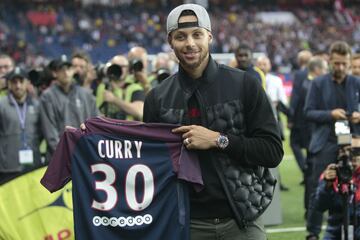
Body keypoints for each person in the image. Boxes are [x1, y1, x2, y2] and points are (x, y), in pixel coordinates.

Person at [143, 4, 283, 240]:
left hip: (242, 221)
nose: (190, 43)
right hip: (187, 224)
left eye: (197, 34)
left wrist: (219, 140)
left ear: (209, 36)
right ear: (170, 42)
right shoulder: (157, 98)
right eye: (181, 37)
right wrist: (91, 139)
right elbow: (149, 165)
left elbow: (272, 151)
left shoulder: (244, 85)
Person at [305, 41, 360, 240]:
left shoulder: (356, 82)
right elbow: (308, 112)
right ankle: (312, 232)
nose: (341, 68)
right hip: (326, 143)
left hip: (352, 144)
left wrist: (358, 116)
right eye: (336, 63)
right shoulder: (318, 83)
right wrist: (331, 114)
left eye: (344, 63)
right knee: (319, 188)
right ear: (329, 61)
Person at [40, 56, 99, 160]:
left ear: (73, 71)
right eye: (61, 70)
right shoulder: (47, 96)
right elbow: (50, 132)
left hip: (85, 155)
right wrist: (65, 155)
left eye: (68, 69)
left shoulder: (86, 95)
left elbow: (96, 123)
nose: (66, 72)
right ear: (55, 73)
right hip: (59, 158)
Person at [312, 137, 360, 240]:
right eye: (348, 151)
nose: (354, 155)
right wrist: (327, 185)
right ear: (340, 153)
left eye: (357, 151)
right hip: (336, 230)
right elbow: (319, 207)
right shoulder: (332, 173)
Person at [0, 67, 42, 183]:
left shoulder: (36, 105)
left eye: (21, 81)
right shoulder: (2, 105)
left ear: (27, 82)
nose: (18, 86)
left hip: (32, 165)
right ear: (9, 84)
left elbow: (42, 133)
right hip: (8, 166)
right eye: (14, 82)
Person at [288, 50, 313, 184]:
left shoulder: (299, 74)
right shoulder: (314, 74)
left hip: (299, 117)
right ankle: (308, 173)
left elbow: (295, 97)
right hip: (312, 117)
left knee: (294, 143)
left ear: (300, 61)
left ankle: (306, 170)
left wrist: (291, 117)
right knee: (309, 146)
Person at [97, 54, 145, 120]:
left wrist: (114, 100)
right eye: (115, 66)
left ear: (128, 69)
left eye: (123, 66)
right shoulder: (102, 86)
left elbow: (139, 112)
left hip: (126, 129)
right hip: (105, 128)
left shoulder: (135, 88)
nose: (119, 69)